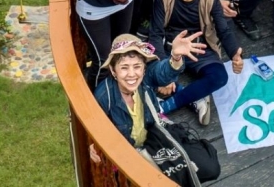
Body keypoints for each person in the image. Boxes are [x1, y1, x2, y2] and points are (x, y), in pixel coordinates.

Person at [91, 31, 219, 181]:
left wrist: (175, 57)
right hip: (127, 153)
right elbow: (94, 127)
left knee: (209, 169)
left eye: (137, 66)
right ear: (113, 70)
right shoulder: (103, 96)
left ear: (144, 68)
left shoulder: (145, 78)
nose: (132, 74)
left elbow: (162, 72)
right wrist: (92, 144)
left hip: (153, 136)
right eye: (124, 67)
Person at [149, 0, 244, 126]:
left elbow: (223, 28)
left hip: (201, 48)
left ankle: (166, 106)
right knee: (147, 69)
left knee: (220, 77)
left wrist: (234, 54)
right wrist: (165, 71)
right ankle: (195, 98)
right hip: (173, 48)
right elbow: (155, 34)